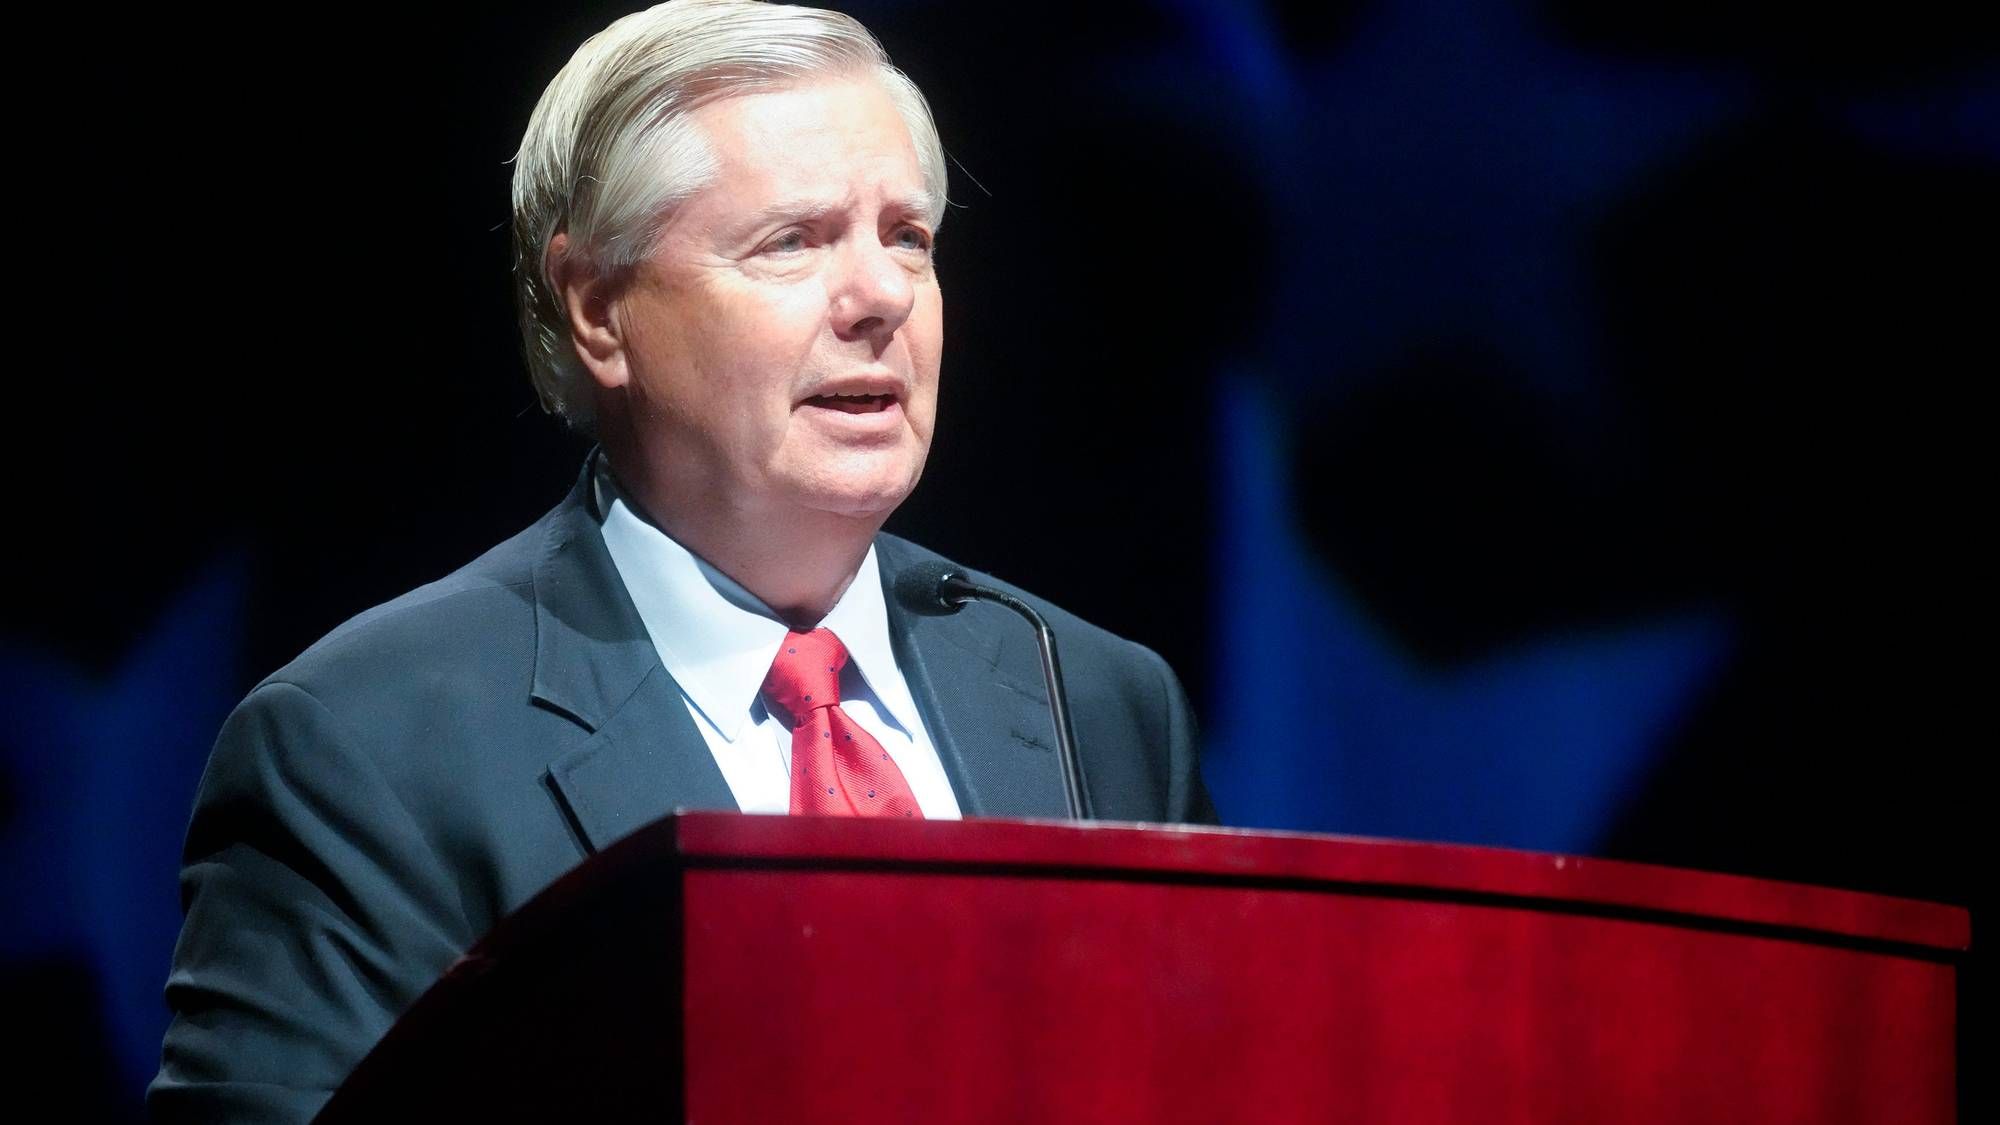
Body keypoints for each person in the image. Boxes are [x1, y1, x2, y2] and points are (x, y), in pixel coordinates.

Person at [149, 2, 1215, 1120]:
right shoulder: (362, 750)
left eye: (907, 236)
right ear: (598, 311)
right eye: (792, 241)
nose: (882, 297)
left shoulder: (1095, 702)